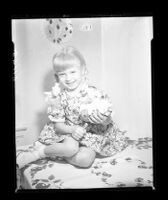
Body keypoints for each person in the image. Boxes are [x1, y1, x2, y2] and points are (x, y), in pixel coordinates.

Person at [17, 46, 128, 169]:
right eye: (62, 74)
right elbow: (58, 126)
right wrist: (73, 130)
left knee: (85, 160)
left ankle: (59, 153)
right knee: (70, 148)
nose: (68, 78)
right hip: (69, 133)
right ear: (57, 77)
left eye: (73, 72)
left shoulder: (96, 94)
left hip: (91, 135)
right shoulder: (58, 98)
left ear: (83, 71)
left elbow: (107, 119)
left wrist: (102, 119)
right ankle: (39, 152)